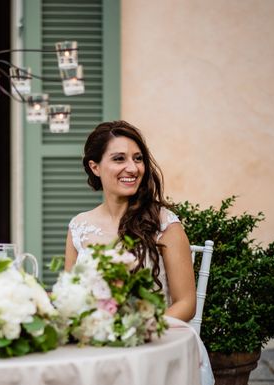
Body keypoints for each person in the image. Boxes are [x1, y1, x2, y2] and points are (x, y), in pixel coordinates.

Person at [65, 120, 196, 321]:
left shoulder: (165, 224)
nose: (133, 168)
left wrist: (143, 331)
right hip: (95, 341)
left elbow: (186, 304)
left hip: (152, 341)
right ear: (95, 167)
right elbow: (70, 297)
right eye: (119, 159)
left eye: (138, 159)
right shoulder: (78, 226)